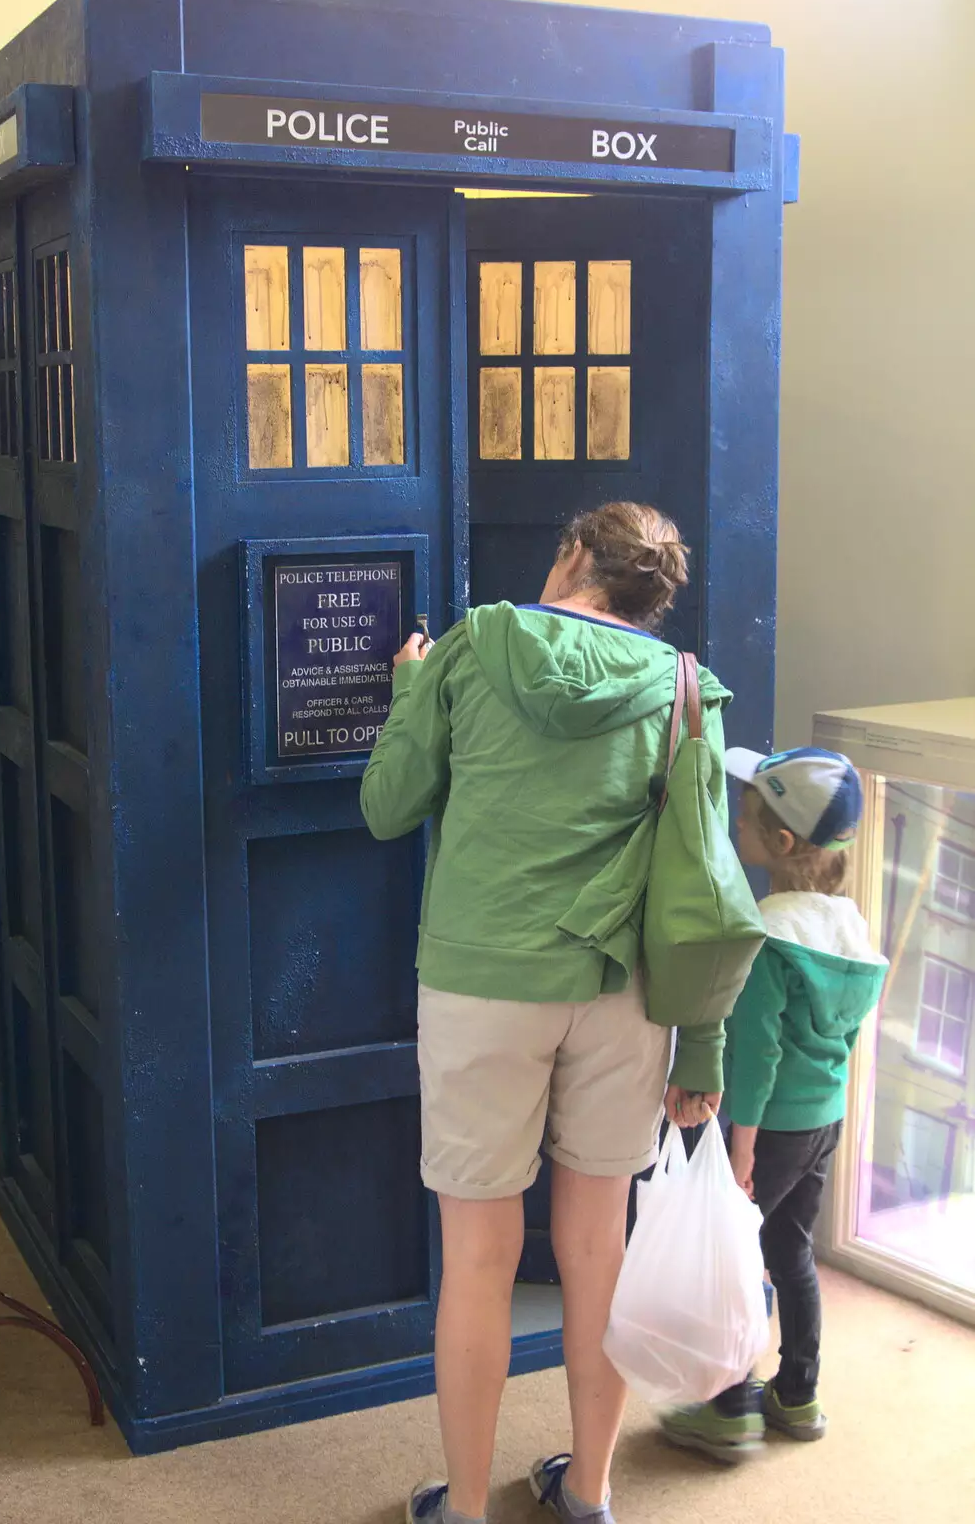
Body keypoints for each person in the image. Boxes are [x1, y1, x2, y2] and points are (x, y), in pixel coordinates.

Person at [360, 502, 731, 1524]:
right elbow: (702, 890)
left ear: (571, 554)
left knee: (478, 1256)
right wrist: (698, 1042)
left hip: (482, 985)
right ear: (649, 597)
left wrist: (405, 686)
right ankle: (590, 1490)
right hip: (622, 999)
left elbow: (386, 806)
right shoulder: (683, 689)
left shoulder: (476, 645)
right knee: (595, 1250)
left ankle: (465, 1509)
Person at [660, 748, 888, 1463]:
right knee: (791, 1251)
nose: (738, 818)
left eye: (749, 812)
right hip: (824, 1120)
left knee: (728, 1258)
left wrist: (744, 1146)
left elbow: (754, 1057)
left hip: (773, 1126)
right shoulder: (850, 930)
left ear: (780, 844)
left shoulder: (770, 938)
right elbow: (846, 1036)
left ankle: (729, 1406)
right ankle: (799, 1393)